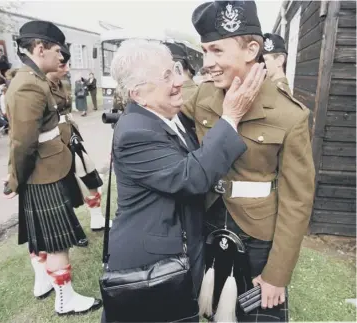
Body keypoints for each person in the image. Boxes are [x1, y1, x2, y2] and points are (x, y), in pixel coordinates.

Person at [101, 39, 266, 323]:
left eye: (175, 69)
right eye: (166, 77)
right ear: (138, 94)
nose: (179, 81)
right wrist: (231, 116)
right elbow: (192, 178)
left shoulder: (168, 116)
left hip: (179, 251)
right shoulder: (134, 132)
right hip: (152, 263)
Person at [181, 1, 315, 322]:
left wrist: (277, 273)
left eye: (216, 51)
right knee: (208, 309)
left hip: (257, 237)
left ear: (251, 48)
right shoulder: (202, 96)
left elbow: (297, 202)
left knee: (254, 316)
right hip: (208, 222)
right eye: (204, 52)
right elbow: (162, 122)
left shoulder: (289, 115)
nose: (207, 63)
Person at [4, 20, 102, 315]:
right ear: (40, 48)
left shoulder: (35, 80)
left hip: (48, 168)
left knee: (47, 238)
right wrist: (14, 179)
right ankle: (65, 299)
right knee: (56, 240)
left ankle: (53, 289)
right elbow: (22, 143)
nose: (62, 57)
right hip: (42, 173)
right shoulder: (28, 86)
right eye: (58, 51)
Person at [46, 47, 110, 232]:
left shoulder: (61, 84)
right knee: (63, 188)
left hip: (71, 136)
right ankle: (69, 229)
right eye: (63, 65)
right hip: (55, 142)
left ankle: (97, 218)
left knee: (89, 177)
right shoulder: (42, 86)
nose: (67, 69)